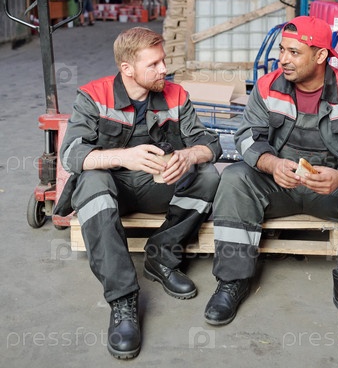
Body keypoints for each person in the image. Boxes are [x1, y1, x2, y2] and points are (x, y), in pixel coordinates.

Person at [204, 15, 338, 338]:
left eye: (294, 52)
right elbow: (246, 136)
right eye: (282, 50)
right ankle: (233, 279)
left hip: (331, 189)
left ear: (320, 56)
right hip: (279, 185)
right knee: (235, 178)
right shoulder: (267, 86)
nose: (283, 59)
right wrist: (270, 164)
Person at [56, 27, 221, 360]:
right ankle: (123, 299)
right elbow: (71, 154)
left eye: (163, 61)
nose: (164, 69)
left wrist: (188, 156)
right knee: (91, 181)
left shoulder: (175, 95)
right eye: (154, 64)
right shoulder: (94, 95)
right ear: (127, 68)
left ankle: (161, 257)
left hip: (153, 186)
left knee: (206, 175)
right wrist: (123, 157)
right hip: (111, 189)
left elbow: (210, 144)